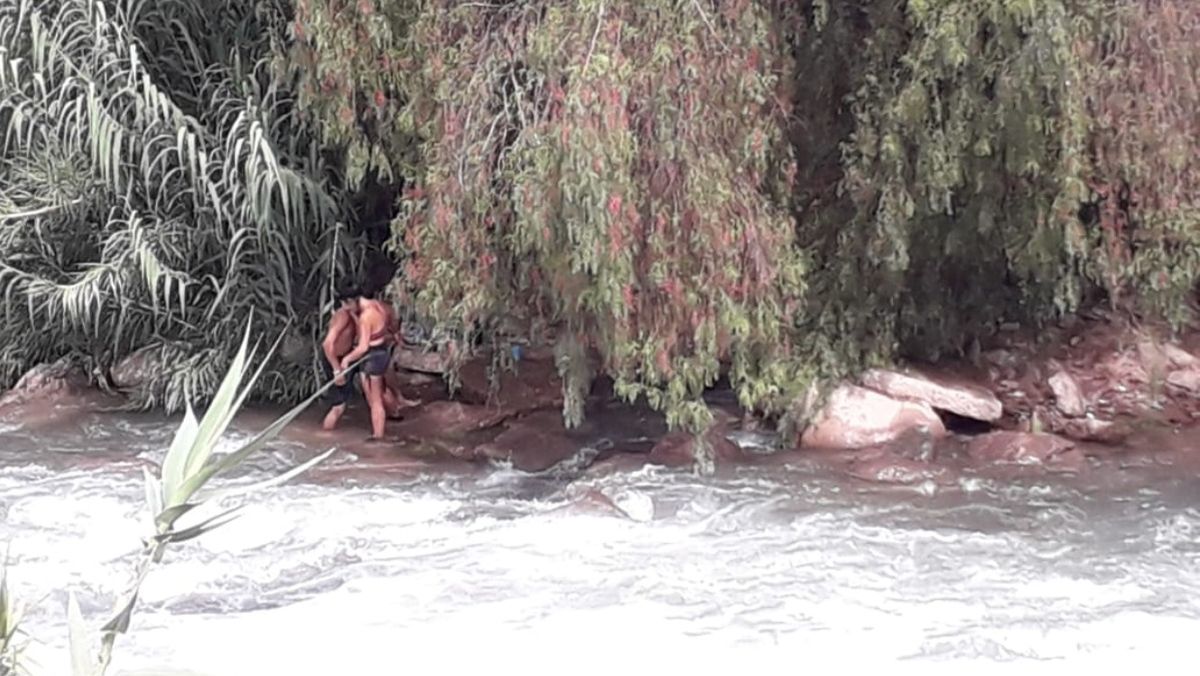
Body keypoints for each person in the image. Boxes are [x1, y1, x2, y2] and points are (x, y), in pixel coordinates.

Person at [336, 286, 418, 440]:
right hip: (382, 351)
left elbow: (363, 347)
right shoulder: (377, 305)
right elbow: (388, 326)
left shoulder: (366, 316)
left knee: (375, 399)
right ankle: (393, 414)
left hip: (372, 356)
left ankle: (378, 435)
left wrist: (346, 360)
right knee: (380, 392)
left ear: (351, 301)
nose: (345, 309)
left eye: (345, 305)